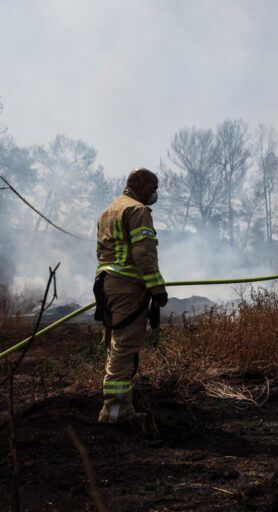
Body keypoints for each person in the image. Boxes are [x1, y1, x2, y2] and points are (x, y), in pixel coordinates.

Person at [95, 168, 167, 425]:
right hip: (127, 287)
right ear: (138, 183)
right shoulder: (138, 211)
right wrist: (157, 288)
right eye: (152, 186)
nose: (155, 193)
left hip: (106, 286)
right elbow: (143, 254)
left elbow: (101, 252)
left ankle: (118, 408)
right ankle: (115, 414)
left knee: (114, 346)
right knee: (124, 349)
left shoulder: (108, 211)